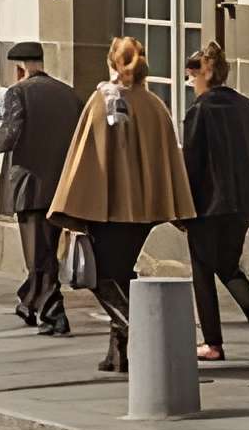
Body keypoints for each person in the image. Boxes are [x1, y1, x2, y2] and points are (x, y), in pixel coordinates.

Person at [49, 35, 195, 374]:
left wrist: (72, 209)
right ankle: (120, 354)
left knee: (100, 277)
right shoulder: (156, 105)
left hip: (108, 210)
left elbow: (85, 159)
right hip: (143, 211)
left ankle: (138, 330)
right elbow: (166, 159)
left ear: (112, 64)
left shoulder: (102, 102)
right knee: (121, 273)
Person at [182, 39, 249, 363]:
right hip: (242, 204)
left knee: (202, 270)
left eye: (192, 78)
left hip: (208, 206)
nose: (191, 84)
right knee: (228, 264)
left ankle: (213, 343)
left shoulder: (200, 110)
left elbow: (191, 163)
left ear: (205, 75)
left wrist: (182, 211)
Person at [0, 41, 85, 338]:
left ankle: (54, 315)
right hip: (61, 186)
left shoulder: (18, 93)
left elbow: (9, 137)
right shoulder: (69, 94)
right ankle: (28, 300)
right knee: (45, 249)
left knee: (38, 256)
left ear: (19, 67)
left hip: (29, 186)